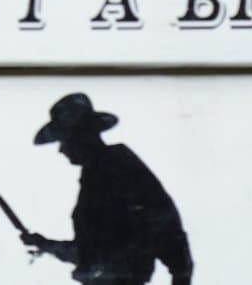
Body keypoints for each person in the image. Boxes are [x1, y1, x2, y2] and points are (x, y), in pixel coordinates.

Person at [20, 92, 194, 284]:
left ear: (81, 137)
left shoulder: (116, 170)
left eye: (64, 140)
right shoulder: (103, 173)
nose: (61, 149)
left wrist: (48, 246)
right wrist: (46, 245)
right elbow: (94, 252)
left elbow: (164, 226)